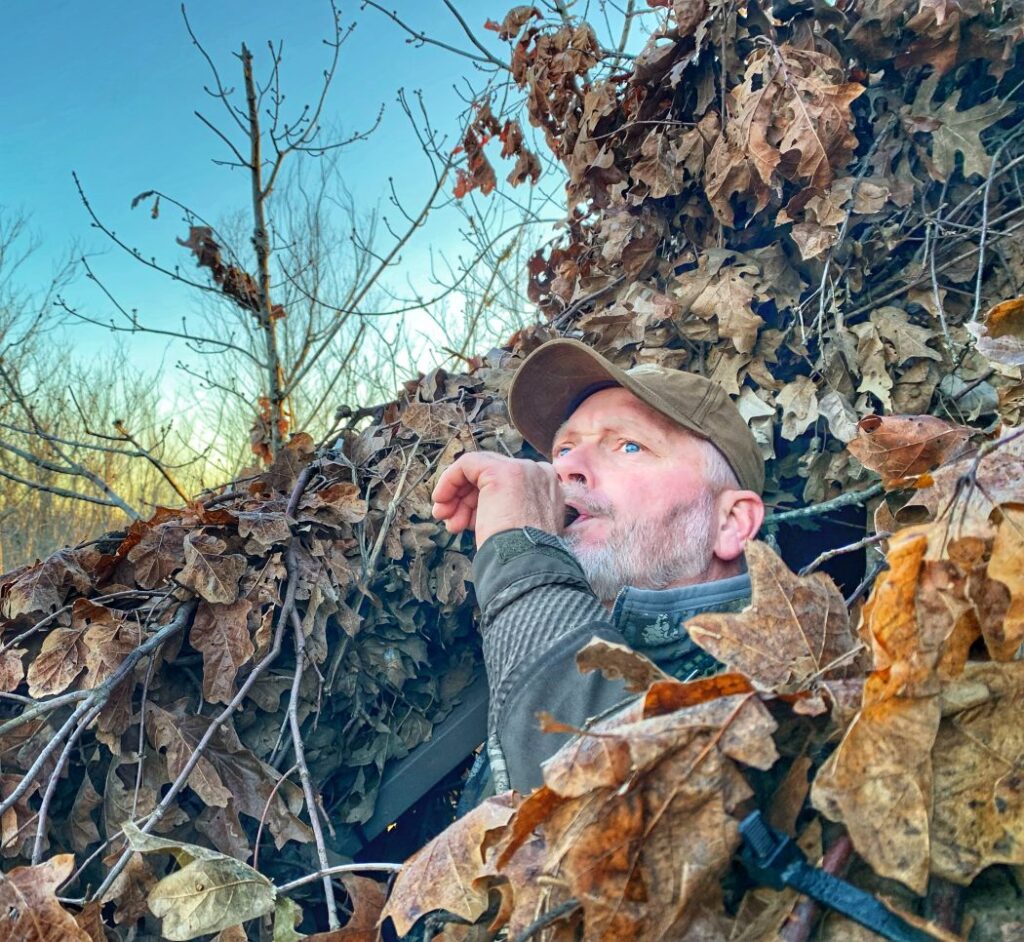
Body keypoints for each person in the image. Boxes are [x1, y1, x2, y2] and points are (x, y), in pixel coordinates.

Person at [431, 339, 766, 792]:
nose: (566, 469)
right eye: (564, 449)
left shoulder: (780, 686)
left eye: (629, 446)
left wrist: (519, 553)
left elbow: (631, 810)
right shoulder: (542, 641)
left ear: (730, 523)